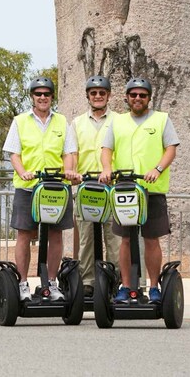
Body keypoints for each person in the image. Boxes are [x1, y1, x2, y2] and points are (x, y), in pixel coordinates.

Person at [99, 77, 179, 304]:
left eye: (142, 95)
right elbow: (106, 149)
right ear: (126, 97)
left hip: (151, 190)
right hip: (124, 189)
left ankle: (153, 287)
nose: (137, 99)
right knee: (125, 239)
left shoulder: (162, 120)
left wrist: (158, 168)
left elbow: (171, 148)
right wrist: (107, 169)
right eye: (133, 95)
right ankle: (126, 286)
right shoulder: (117, 122)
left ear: (149, 98)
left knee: (151, 240)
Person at [3, 77, 78, 301]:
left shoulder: (62, 122)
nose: (43, 97)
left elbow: (69, 152)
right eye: (38, 94)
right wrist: (22, 171)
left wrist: (69, 171)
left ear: (52, 97)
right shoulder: (20, 121)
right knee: (24, 234)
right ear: (32, 97)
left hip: (56, 187)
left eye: (47, 94)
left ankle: (51, 283)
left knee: (56, 234)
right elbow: (13, 154)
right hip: (28, 187)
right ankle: (23, 283)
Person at [72, 75, 120, 297]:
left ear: (108, 95)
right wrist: (72, 173)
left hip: (111, 187)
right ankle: (88, 281)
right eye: (94, 93)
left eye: (102, 93)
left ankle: (116, 279)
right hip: (86, 186)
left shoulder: (119, 120)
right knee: (86, 239)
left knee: (115, 238)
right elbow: (73, 153)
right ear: (87, 97)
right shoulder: (77, 123)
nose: (98, 96)